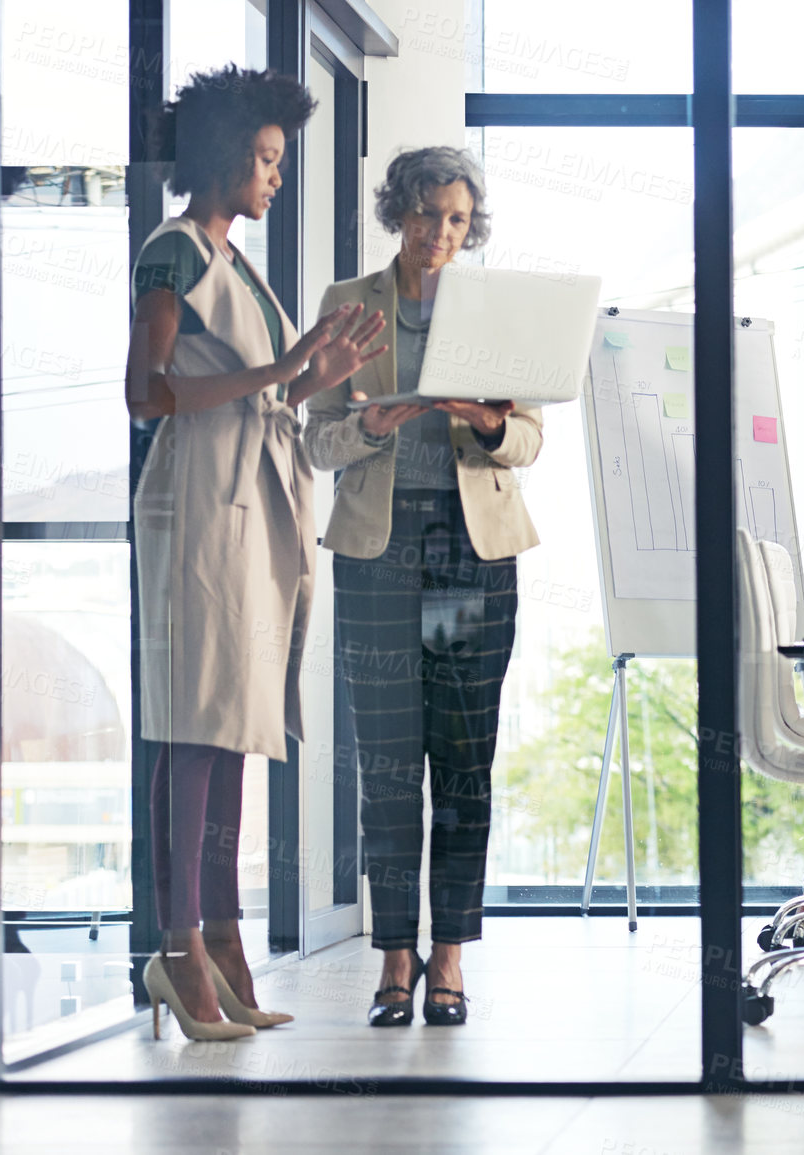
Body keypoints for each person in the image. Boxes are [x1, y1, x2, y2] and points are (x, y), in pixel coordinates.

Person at [127, 66, 387, 1038]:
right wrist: (283, 370)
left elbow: (257, 386)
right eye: (269, 159)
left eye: (282, 161)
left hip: (250, 501)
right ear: (228, 155)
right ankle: (177, 946)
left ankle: (224, 935)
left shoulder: (236, 265)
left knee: (235, 725)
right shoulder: (174, 253)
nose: (277, 177)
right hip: (200, 501)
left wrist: (316, 372)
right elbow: (145, 390)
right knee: (194, 727)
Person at [305, 147, 542, 1027]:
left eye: (453, 218)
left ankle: (450, 958)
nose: (437, 232)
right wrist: (369, 424)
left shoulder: (493, 311)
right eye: (422, 214)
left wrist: (487, 420)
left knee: (465, 762)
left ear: (468, 224)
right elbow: (313, 441)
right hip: (378, 545)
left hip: (474, 552)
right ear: (395, 212)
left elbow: (529, 442)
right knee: (388, 764)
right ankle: (393, 961)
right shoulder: (345, 305)